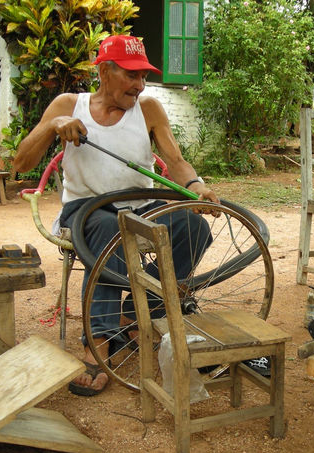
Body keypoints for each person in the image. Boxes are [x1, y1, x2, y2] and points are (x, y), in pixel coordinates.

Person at [14, 35, 218, 396]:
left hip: (140, 204)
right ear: (105, 72)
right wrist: (52, 126)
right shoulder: (68, 104)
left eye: (144, 77)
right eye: (131, 76)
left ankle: (142, 312)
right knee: (112, 231)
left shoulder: (150, 109)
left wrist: (197, 185)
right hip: (85, 210)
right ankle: (99, 343)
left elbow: (176, 161)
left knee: (194, 227)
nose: (140, 85)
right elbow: (20, 163)